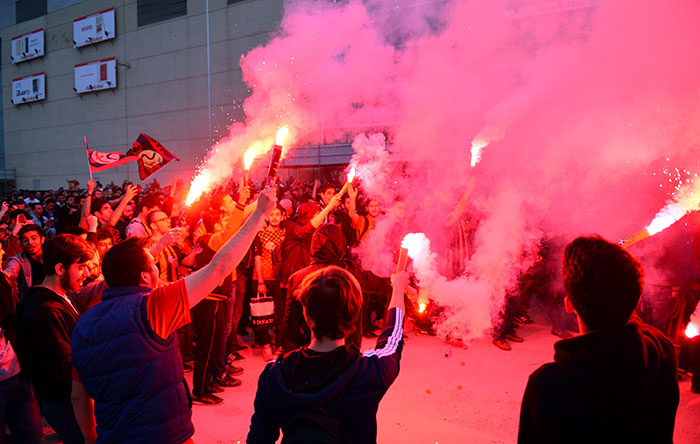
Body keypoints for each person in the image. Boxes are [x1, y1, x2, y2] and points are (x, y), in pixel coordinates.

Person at [70, 188, 276, 444]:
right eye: (152, 264)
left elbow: (79, 396)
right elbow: (219, 268)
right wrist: (257, 216)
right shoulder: (153, 307)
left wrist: (92, 440)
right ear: (145, 276)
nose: (156, 267)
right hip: (163, 436)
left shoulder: (83, 324)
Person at [518, 235, 679, 443]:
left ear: (569, 305)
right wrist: (618, 275)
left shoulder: (548, 385)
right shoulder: (662, 353)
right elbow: (638, 326)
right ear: (637, 299)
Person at [247, 266, 407, 443]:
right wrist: (398, 289)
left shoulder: (274, 373)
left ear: (306, 315)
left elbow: (258, 439)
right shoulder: (370, 372)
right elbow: (393, 336)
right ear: (354, 314)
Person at [15, 234, 93, 444]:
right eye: (81, 267)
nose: (87, 273)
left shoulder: (60, 297)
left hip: (71, 399)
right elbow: (62, 369)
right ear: (60, 269)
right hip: (64, 403)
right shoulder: (44, 312)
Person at [252, 205, 286, 360]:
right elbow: (257, 258)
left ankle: (279, 344)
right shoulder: (259, 234)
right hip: (262, 278)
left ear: (282, 217)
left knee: (280, 313)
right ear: (266, 217)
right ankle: (265, 345)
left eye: (277, 214)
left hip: (279, 279)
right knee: (262, 313)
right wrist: (260, 281)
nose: (274, 217)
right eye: (271, 214)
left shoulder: (285, 234)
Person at [3, 225, 45, 300]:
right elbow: (12, 269)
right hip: (31, 304)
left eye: (34, 238)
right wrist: (7, 274)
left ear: (42, 240)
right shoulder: (18, 259)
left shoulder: (52, 255)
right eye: (26, 240)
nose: (30, 243)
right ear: (21, 244)